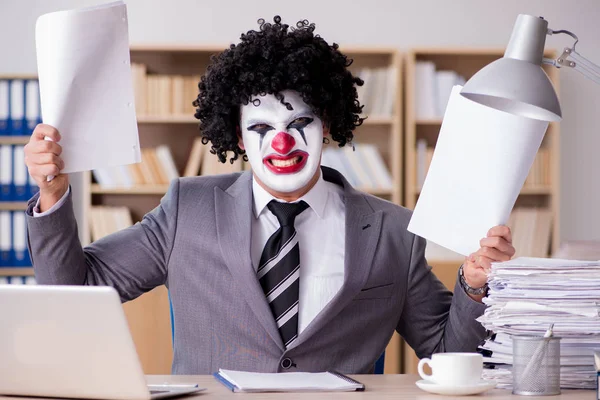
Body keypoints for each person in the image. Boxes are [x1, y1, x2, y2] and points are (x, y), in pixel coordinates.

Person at [24, 16, 515, 374]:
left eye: (299, 123)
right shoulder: (186, 211)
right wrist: (52, 192)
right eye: (260, 127)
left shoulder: (392, 231)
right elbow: (74, 289)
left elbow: (452, 358)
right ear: (238, 138)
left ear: (326, 127)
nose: (281, 143)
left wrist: (474, 285)